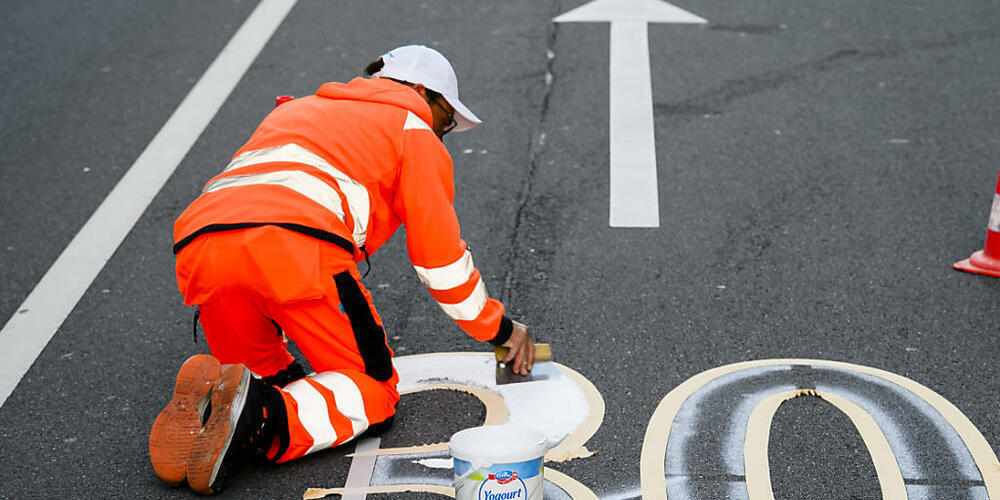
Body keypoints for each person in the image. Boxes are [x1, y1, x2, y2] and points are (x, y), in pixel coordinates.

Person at [148, 44, 535, 495]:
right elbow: (441, 263)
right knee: (372, 391)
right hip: (295, 247)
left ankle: (217, 414)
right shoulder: (413, 129)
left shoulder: (296, 110)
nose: (443, 131)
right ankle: (256, 419)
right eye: (447, 119)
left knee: (266, 377)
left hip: (201, 247)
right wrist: (501, 330)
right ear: (424, 92)